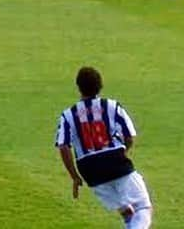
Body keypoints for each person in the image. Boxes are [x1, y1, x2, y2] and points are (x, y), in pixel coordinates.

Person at [55, 67, 152, 229]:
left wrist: (74, 176)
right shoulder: (112, 106)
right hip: (115, 162)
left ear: (78, 87)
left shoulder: (68, 115)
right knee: (143, 208)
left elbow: (63, 146)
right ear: (100, 85)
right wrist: (123, 153)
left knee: (128, 213)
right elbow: (129, 136)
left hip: (90, 171)